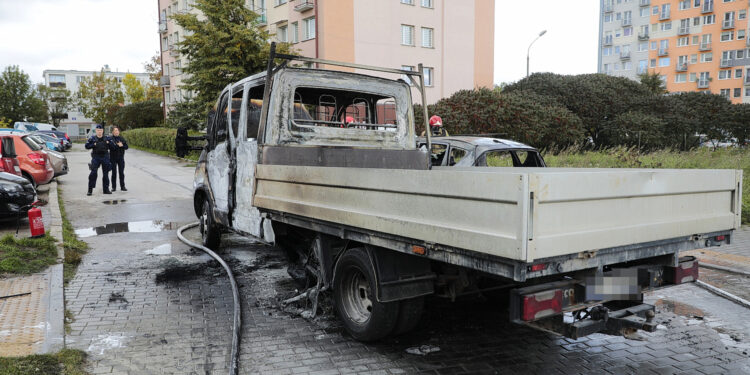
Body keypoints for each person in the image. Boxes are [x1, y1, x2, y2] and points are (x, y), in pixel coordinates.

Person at [84, 125, 114, 196]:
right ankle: (90, 190)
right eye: (98, 130)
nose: (99, 131)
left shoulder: (107, 138)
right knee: (93, 173)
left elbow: (113, 146)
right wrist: (93, 145)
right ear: (96, 131)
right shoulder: (92, 138)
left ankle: (106, 189)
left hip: (105, 157)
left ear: (102, 131)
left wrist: (109, 143)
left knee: (106, 174)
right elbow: (86, 146)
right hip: (96, 157)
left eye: (100, 130)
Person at [109, 126, 128, 192]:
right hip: (113, 158)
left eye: (117, 130)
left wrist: (122, 145)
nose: (117, 132)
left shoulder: (121, 138)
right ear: (113, 132)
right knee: (114, 173)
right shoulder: (111, 139)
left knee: (121, 173)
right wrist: (118, 145)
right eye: (115, 130)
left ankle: (122, 186)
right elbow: (112, 147)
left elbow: (126, 147)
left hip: (121, 158)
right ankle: (113, 187)